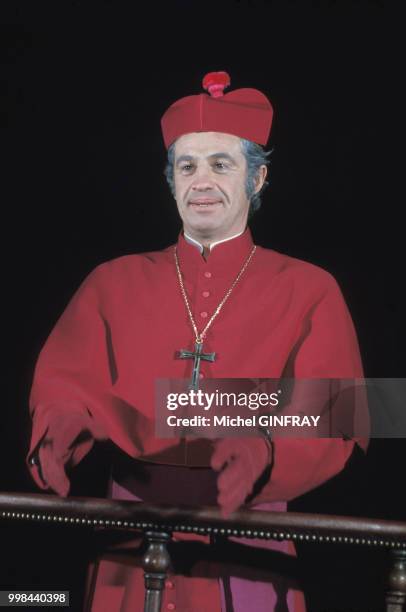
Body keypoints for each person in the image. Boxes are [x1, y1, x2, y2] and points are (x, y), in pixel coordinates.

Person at [27, 71, 367, 612]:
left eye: (221, 164)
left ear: (257, 180)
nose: (200, 181)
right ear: (170, 180)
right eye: (186, 166)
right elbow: (66, 381)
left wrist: (266, 451)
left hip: (246, 532)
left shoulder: (309, 288)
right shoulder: (112, 281)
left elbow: (341, 416)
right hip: (131, 536)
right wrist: (59, 425)